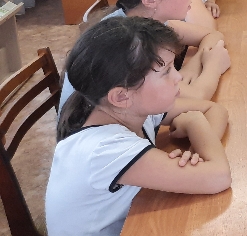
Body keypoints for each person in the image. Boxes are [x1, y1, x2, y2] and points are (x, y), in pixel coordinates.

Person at [46, 17, 231, 236]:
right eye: (166, 72)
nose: (178, 76)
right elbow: (219, 177)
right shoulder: (105, 150)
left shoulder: (131, 108)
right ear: (121, 96)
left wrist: (196, 154)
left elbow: (215, 110)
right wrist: (195, 122)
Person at [58, 0, 231, 111]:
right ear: (150, 0)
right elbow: (197, 96)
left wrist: (193, 64)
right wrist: (213, 65)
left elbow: (211, 34)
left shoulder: (142, 18)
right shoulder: (132, 43)